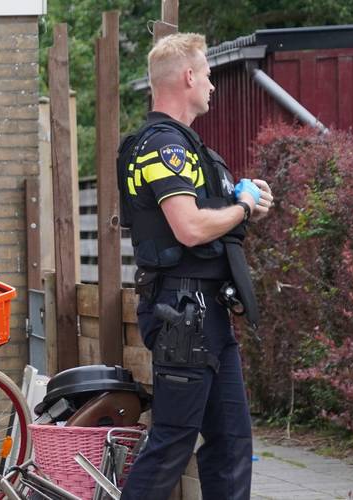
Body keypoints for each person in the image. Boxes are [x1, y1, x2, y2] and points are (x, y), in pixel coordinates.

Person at [116, 33, 274, 500]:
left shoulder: (188, 149)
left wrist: (241, 203)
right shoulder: (162, 145)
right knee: (172, 443)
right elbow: (188, 228)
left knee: (231, 443)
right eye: (206, 74)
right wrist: (242, 209)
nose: (211, 85)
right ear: (187, 76)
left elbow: (204, 223)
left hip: (208, 313)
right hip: (184, 312)